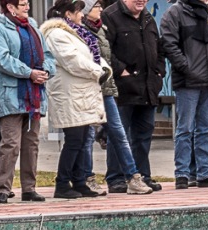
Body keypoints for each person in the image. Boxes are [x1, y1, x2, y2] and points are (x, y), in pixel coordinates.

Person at [0, 0, 54, 204]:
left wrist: (46, 71)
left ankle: (29, 189)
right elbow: (1, 59)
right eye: (23, 4)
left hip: (34, 95)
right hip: (10, 94)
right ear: (10, 7)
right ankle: (3, 189)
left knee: (31, 143)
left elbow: (49, 55)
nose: (27, 7)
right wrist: (30, 73)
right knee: (11, 144)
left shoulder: (33, 27)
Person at [160, 0, 208, 190]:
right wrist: (186, 67)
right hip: (188, 82)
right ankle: (182, 174)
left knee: (207, 128)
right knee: (185, 129)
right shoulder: (175, 13)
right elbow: (169, 44)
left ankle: (205, 172)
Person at [80, 0, 149, 195]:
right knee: (88, 136)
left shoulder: (100, 29)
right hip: (89, 89)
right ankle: (87, 177)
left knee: (118, 132)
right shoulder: (80, 32)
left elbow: (106, 58)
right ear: (85, 11)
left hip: (107, 89)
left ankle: (132, 177)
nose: (100, 9)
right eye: (96, 7)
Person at [41, 0, 107, 199]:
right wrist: (98, 72)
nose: (82, 14)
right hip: (70, 95)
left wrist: (104, 69)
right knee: (74, 140)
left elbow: (93, 55)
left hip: (82, 94)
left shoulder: (76, 32)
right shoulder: (56, 34)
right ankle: (62, 184)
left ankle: (79, 181)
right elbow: (73, 61)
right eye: (79, 11)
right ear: (68, 14)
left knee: (83, 139)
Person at [101, 0, 165, 193]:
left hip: (148, 88)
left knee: (143, 135)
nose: (141, 1)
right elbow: (104, 51)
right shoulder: (110, 17)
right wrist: (121, 71)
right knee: (119, 136)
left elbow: (159, 48)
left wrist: (160, 71)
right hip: (123, 89)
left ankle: (142, 176)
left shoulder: (147, 17)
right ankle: (116, 178)